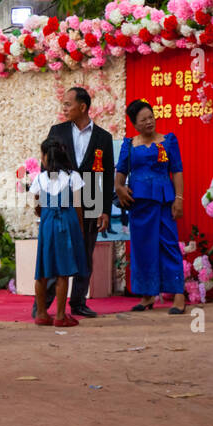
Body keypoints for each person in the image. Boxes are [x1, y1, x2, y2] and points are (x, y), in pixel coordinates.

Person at [36, 86, 115, 319]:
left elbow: (107, 175)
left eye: (68, 104)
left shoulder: (104, 137)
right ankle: (44, 307)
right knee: (54, 255)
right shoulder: (57, 131)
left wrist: (104, 209)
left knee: (84, 253)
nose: (64, 108)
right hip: (60, 201)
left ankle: (78, 303)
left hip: (89, 198)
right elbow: (46, 168)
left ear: (83, 107)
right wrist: (45, 204)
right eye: (63, 104)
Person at [115, 99, 187, 314]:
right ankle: (147, 296)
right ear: (134, 124)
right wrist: (119, 187)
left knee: (169, 244)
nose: (149, 122)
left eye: (151, 117)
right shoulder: (129, 145)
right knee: (142, 248)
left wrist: (179, 198)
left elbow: (177, 171)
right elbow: (120, 174)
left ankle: (178, 295)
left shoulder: (167, 142)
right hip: (138, 203)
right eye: (143, 120)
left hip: (164, 200)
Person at [31, 138, 89, 327]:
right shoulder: (73, 177)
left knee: (42, 270)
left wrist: (45, 212)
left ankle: (41, 313)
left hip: (47, 224)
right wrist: (79, 228)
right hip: (66, 223)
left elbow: (37, 207)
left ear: (47, 157)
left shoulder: (39, 178)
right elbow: (79, 206)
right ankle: (60, 316)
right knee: (63, 271)